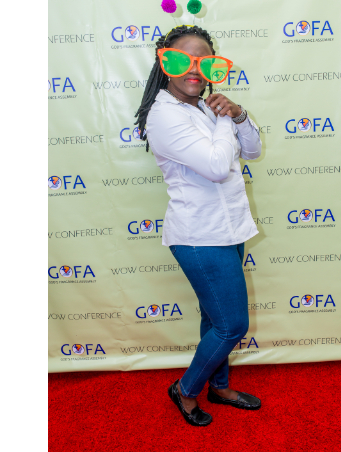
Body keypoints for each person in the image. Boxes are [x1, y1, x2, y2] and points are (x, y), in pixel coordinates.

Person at [133, 25, 263, 427]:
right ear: (165, 64)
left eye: (203, 61)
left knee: (214, 319)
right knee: (232, 325)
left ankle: (219, 387)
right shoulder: (164, 115)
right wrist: (225, 121)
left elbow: (253, 149)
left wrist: (237, 114)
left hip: (230, 228)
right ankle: (186, 389)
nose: (193, 69)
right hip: (200, 236)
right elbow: (216, 165)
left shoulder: (204, 107)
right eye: (182, 60)